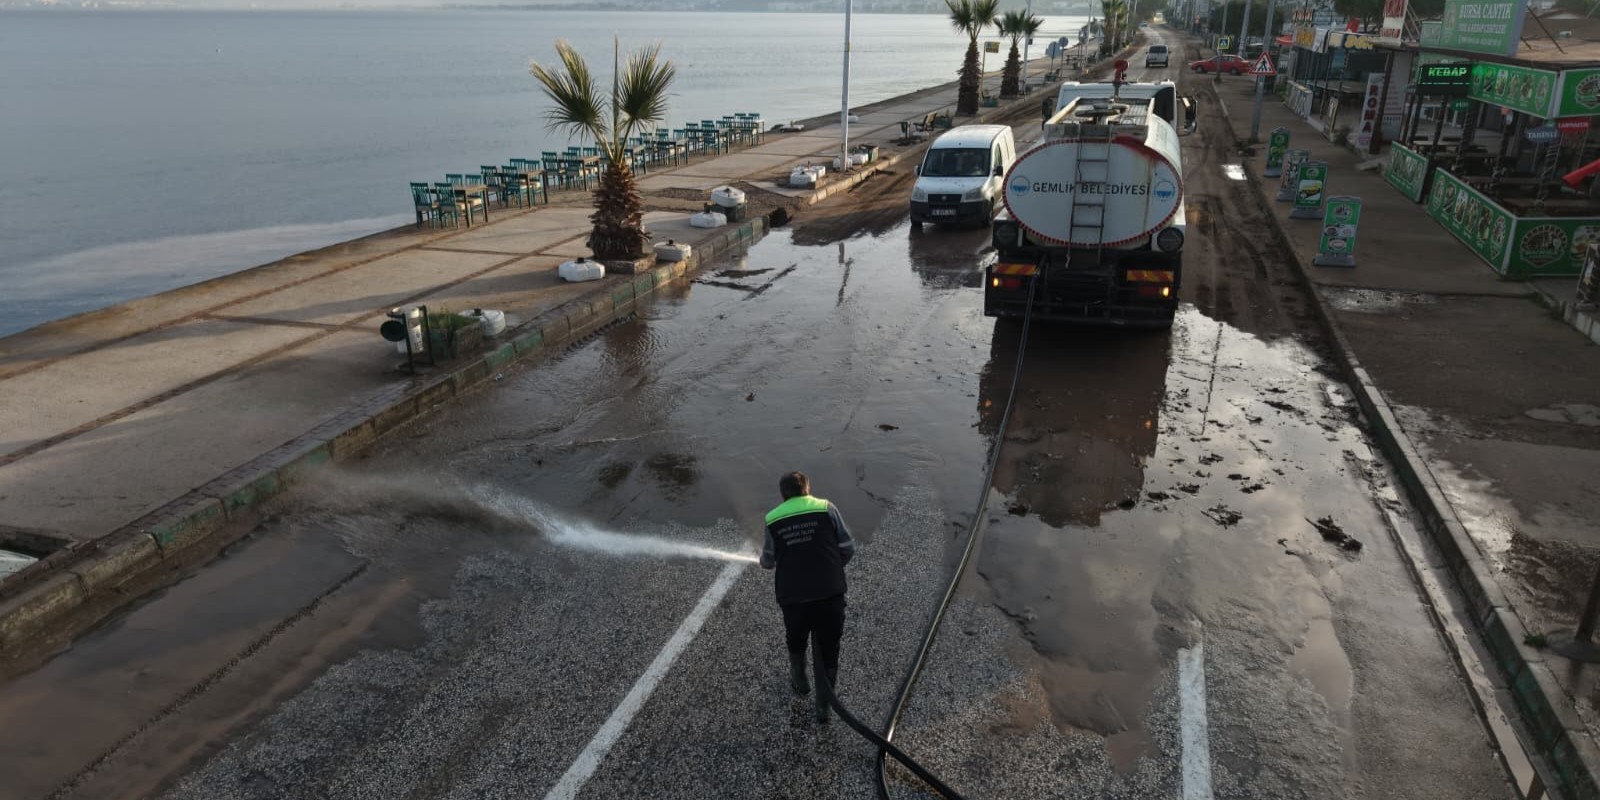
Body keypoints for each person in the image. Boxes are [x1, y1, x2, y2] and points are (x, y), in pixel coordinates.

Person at [760, 471, 855, 722]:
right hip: (830, 595)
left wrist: (764, 560)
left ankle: (800, 683)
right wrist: (831, 569)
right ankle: (823, 708)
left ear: (783, 495)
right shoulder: (827, 508)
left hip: (794, 598)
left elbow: (768, 561)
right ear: (808, 488)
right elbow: (847, 547)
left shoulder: (772, 518)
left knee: (796, 639)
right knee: (829, 649)